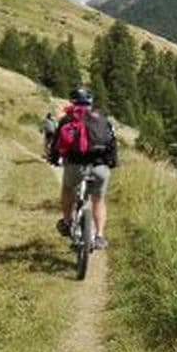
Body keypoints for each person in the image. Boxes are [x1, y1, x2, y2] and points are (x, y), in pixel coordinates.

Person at [48, 87, 118, 249]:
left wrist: (54, 159)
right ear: (91, 101)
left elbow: (56, 144)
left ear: (72, 101)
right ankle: (99, 236)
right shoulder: (102, 119)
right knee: (98, 200)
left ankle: (66, 222)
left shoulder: (67, 119)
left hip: (74, 165)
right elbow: (112, 143)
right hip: (99, 167)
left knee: (67, 188)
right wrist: (112, 162)